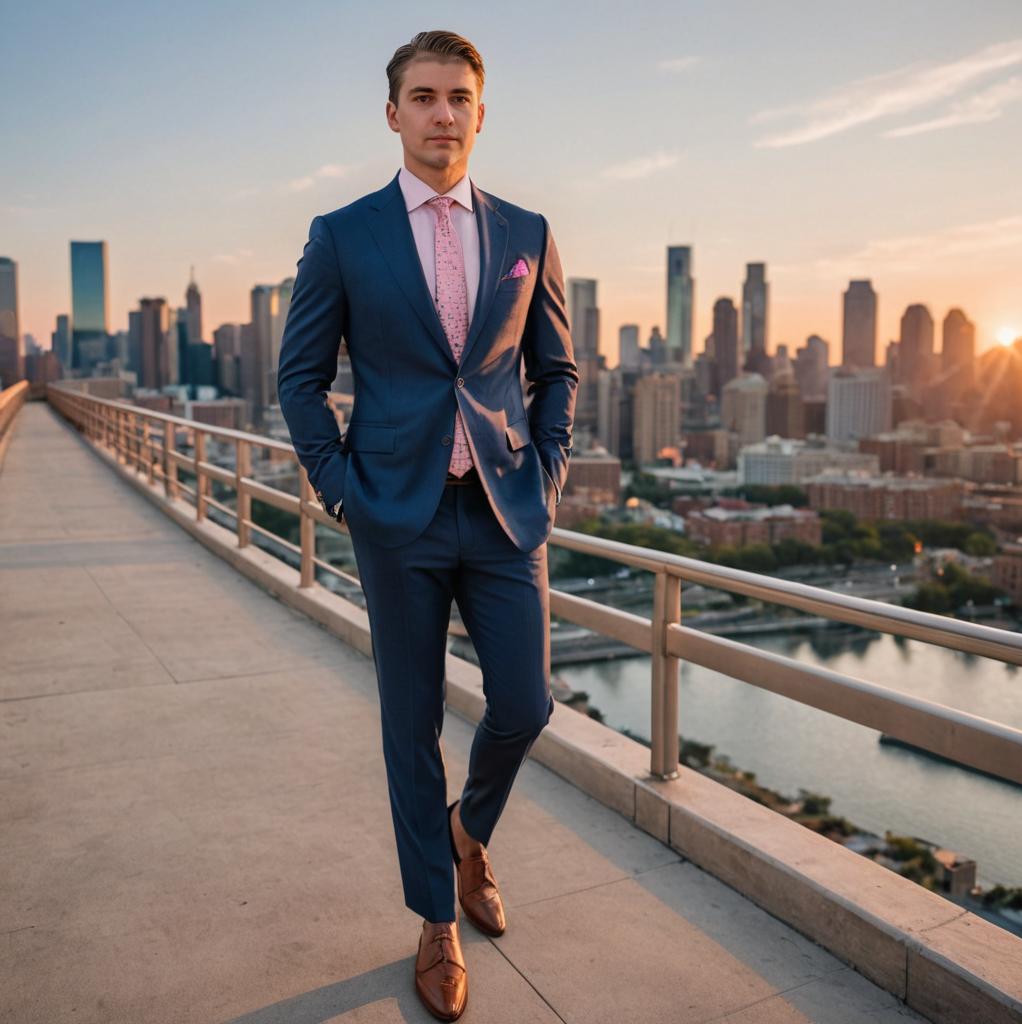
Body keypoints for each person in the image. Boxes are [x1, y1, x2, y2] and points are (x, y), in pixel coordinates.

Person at [277, 29, 578, 1021]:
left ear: (479, 113)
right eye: (424, 97)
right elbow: (299, 378)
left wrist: (548, 465)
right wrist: (338, 489)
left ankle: (464, 833)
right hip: (392, 515)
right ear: (393, 112)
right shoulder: (344, 234)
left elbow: (555, 369)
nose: (442, 114)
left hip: (501, 510)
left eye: (459, 98)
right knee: (408, 725)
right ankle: (436, 919)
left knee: (525, 704)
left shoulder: (527, 231)